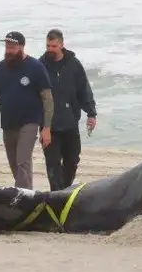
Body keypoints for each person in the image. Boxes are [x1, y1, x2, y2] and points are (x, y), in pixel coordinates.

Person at [0, 31, 54, 190]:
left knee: (23, 161)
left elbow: (47, 98)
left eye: (13, 47)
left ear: (22, 47)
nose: (9, 50)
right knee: (14, 163)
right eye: (7, 47)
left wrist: (47, 127)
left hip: (29, 122)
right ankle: (26, 193)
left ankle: (23, 199)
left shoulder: (36, 67)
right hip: (8, 123)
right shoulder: (0, 68)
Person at [39, 29, 98, 191]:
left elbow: (84, 90)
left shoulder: (74, 64)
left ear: (62, 45)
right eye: (47, 45)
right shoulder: (40, 65)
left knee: (72, 161)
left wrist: (91, 113)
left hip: (70, 123)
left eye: (53, 46)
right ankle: (56, 194)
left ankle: (64, 190)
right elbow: (33, 96)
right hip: (48, 127)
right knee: (52, 163)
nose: (50, 49)